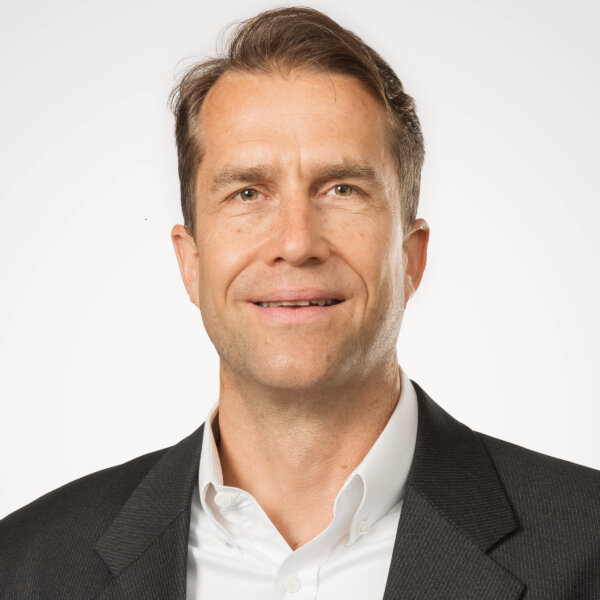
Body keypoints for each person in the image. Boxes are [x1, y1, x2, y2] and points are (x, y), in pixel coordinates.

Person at [1, 6, 599, 599]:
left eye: (342, 189)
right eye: (248, 193)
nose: (295, 243)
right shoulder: (27, 566)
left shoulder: (587, 545)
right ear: (191, 263)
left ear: (411, 257)